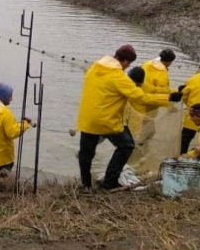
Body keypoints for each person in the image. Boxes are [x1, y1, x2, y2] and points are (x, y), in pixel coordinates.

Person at [76, 44, 183, 191]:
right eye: (129, 64)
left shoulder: (94, 68)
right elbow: (141, 98)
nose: (127, 67)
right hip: (106, 121)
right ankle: (109, 182)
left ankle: (85, 185)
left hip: (87, 119)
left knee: (85, 154)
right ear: (126, 61)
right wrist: (169, 97)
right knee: (127, 146)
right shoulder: (118, 77)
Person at [135, 49, 177, 115]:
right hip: (151, 102)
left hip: (137, 99)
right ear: (168, 62)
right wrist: (170, 106)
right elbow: (163, 92)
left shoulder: (146, 64)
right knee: (149, 122)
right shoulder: (162, 72)